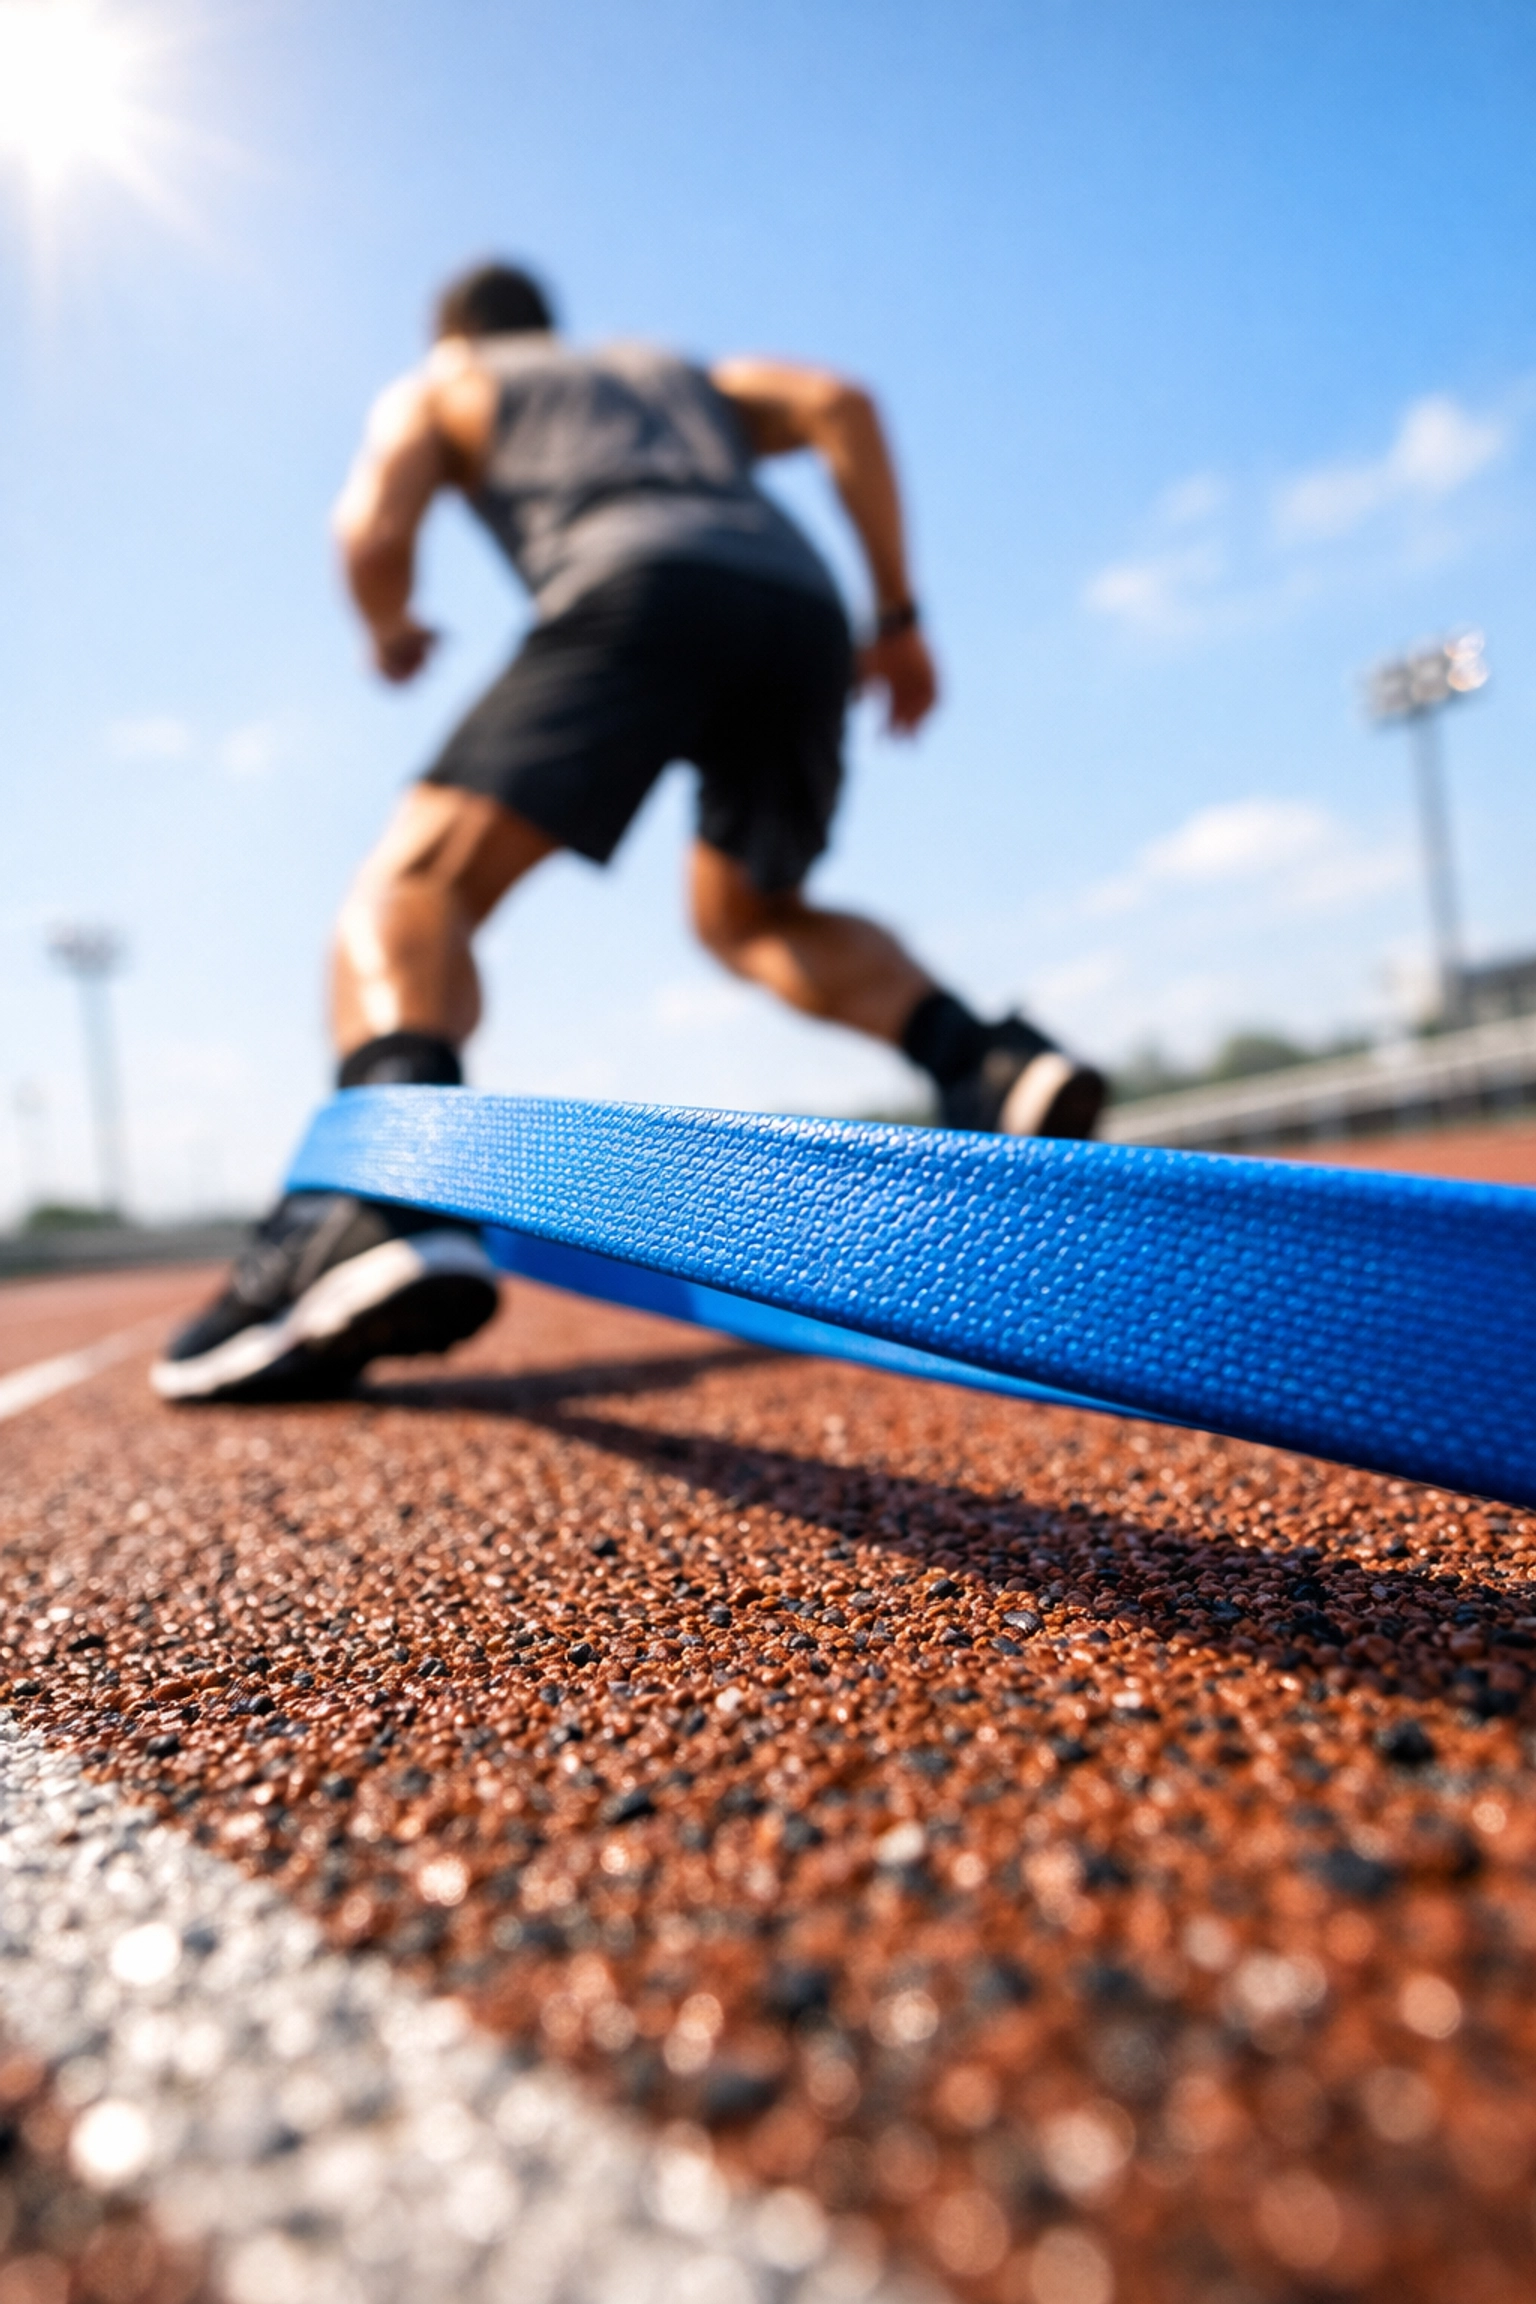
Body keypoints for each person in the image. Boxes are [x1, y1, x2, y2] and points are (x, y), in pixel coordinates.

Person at [154, 260, 1103, 1403]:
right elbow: (838, 404)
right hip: (799, 608)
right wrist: (896, 618)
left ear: (453, 337)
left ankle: (381, 1202)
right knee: (751, 913)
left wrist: (392, 627)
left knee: (415, 887)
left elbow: (369, 531)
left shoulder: (449, 385)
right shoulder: (671, 371)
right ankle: (982, 1062)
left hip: (631, 587)